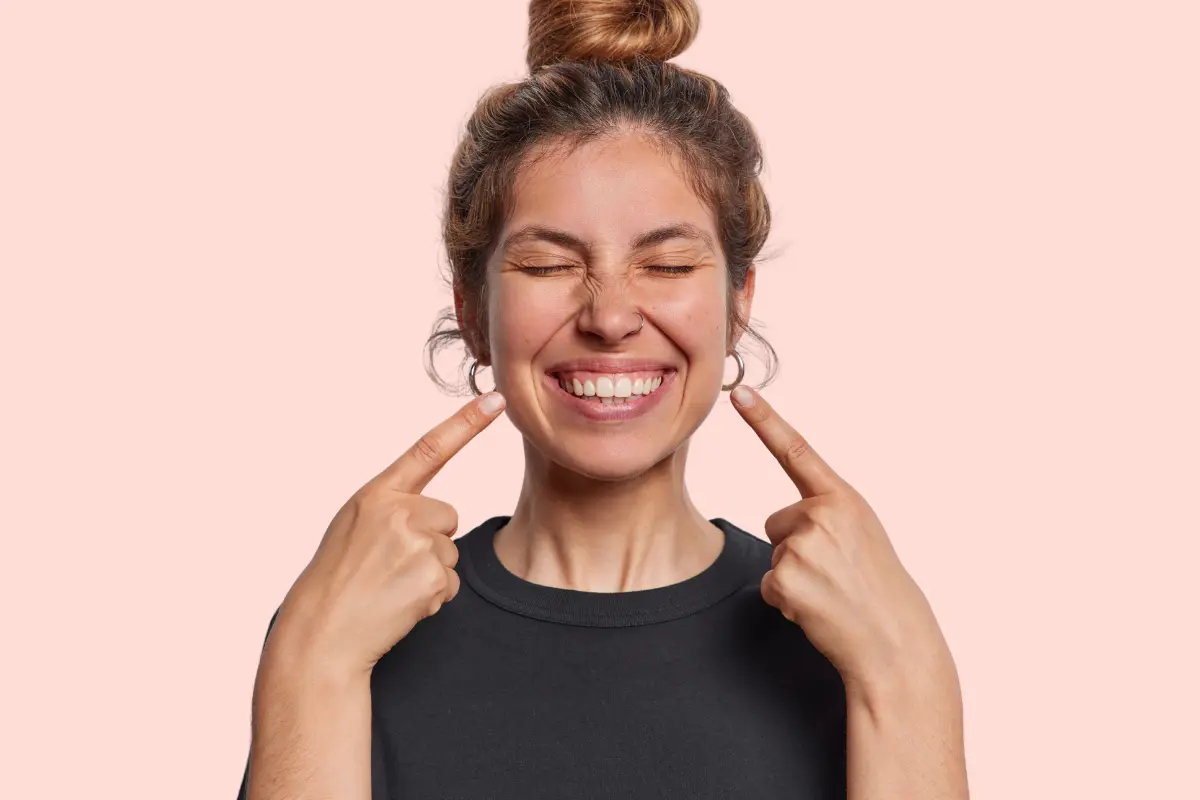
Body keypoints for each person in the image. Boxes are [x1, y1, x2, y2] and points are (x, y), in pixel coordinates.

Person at [236, 1, 969, 797]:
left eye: (669, 265)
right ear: (473, 310)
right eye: (549, 266)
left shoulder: (859, 640)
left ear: (739, 302)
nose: (611, 317)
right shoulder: (348, 628)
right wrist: (311, 664)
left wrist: (907, 678)